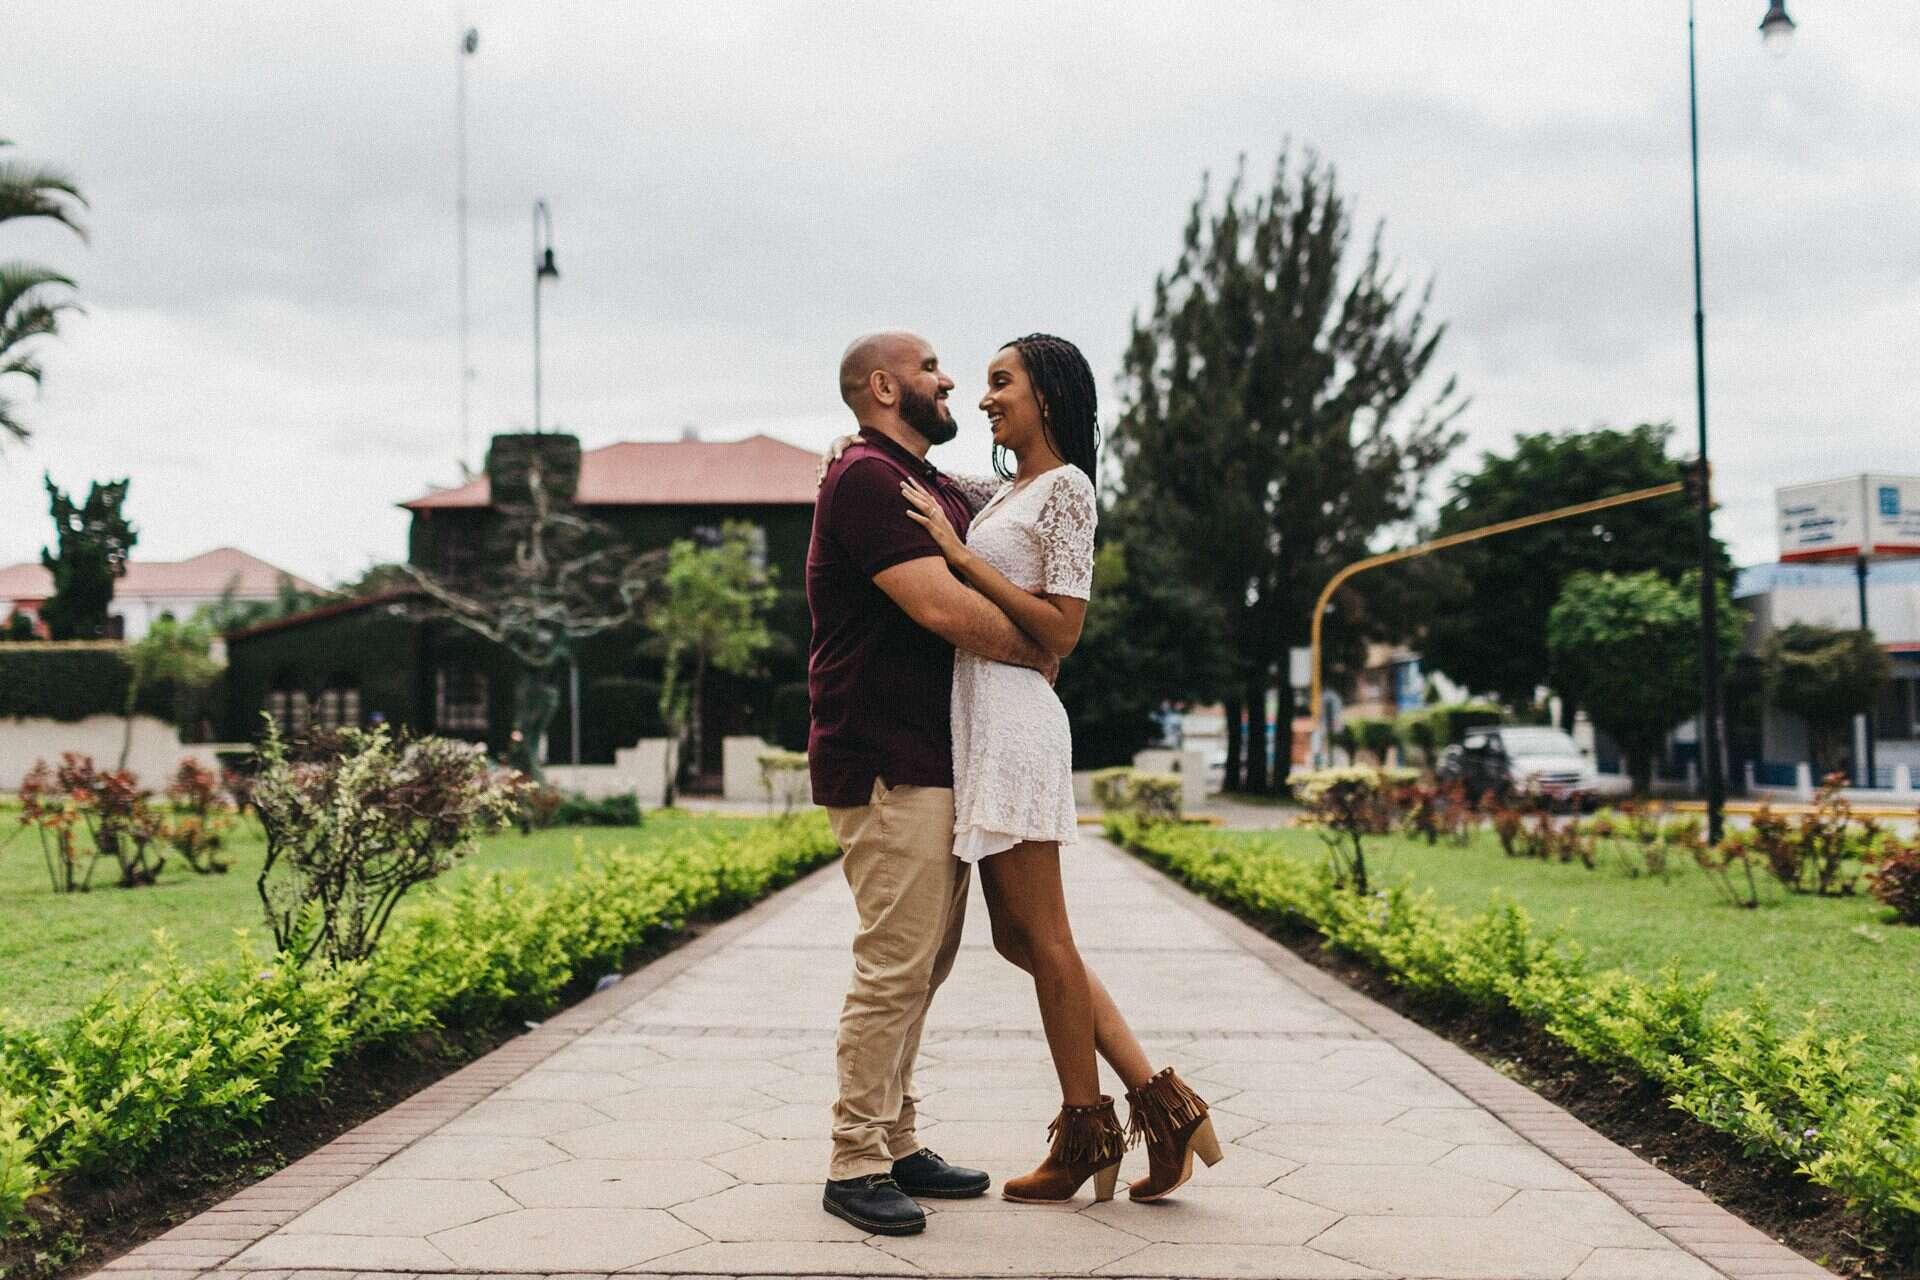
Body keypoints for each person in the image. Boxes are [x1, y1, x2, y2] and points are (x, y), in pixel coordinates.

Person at [896, 334, 1220, 1205]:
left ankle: (1088, 1129)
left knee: (1047, 938)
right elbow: (923, 479)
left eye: (1002, 382)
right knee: (1020, 937)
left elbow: (1064, 628)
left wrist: (963, 563)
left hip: (1016, 723)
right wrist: (850, 454)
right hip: (985, 722)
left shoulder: (1067, 489)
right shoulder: (1002, 491)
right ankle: (1162, 1107)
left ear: (1047, 395)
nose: (988, 396)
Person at [806, 331, 1058, 1236]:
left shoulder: (931, 484)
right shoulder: (870, 480)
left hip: (933, 756)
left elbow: (1031, 501)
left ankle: (898, 1139)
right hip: (883, 756)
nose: (949, 381)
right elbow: (941, 606)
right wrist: (1043, 649)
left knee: (928, 964)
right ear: (883, 387)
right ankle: (855, 1161)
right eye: (929, 369)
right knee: (895, 965)